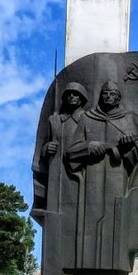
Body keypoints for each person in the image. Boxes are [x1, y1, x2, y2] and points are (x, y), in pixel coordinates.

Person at [62, 81, 138, 274]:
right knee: (89, 222)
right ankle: (84, 266)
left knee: (114, 222)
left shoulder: (129, 119)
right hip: (91, 178)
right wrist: (89, 146)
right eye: (104, 93)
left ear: (119, 97)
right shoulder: (87, 119)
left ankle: (113, 266)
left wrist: (127, 149)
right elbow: (70, 153)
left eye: (112, 94)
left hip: (117, 179)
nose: (108, 97)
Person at [30, 82, 87, 221]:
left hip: (79, 172)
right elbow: (42, 147)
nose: (72, 96)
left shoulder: (88, 119)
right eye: (68, 94)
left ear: (82, 98)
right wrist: (46, 148)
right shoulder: (54, 121)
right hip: (57, 172)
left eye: (75, 94)